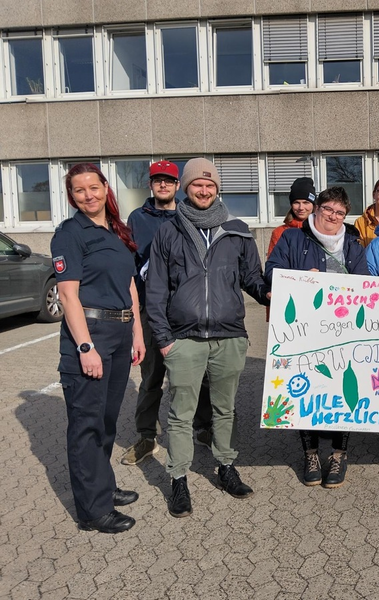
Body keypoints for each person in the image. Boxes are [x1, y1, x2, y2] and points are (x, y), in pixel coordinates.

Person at [147, 158, 269, 518]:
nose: (204, 190)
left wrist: (277, 293)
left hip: (229, 337)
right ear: (186, 188)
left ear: (218, 189)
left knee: (225, 408)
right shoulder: (169, 231)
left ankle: (226, 467)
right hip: (184, 339)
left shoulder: (238, 230)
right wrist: (166, 340)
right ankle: (178, 478)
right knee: (181, 414)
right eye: (197, 185)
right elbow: (154, 291)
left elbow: (253, 279)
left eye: (210, 185)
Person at [51, 163, 145, 534]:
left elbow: (131, 287)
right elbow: (68, 295)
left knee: (107, 419)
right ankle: (92, 510)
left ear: (106, 187)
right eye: (79, 190)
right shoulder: (70, 234)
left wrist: (137, 334)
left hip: (120, 333)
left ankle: (102, 486)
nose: (88, 195)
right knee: (87, 425)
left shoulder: (117, 231)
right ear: (71, 196)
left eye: (94, 187)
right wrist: (85, 346)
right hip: (91, 334)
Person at [265, 187, 369, 488]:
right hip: (304, 331)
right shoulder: (293, 238)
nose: (333, 217)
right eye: (328, 210)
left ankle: (339, 454)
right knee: (307, 390)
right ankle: (310, 452)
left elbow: (363, 283)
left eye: (339, 213)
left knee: (343, 388)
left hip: (343, 332)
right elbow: (270, 272)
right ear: (316, 209)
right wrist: (300, 277)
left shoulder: (351, 244)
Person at [121, 160, 213, 466]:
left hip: (188, 310)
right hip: (151, 309)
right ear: (151, 184)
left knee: (197, 375)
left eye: (169, 181)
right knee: (151, 377)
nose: (163, 185)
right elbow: (131, 268)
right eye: (158, 180)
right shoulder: (137, 218)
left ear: (178, 185)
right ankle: (147, 436)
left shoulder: (190, 215)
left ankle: (203, 428)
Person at [267, 177, 316, 256]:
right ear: (291, 205)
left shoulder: (321, 230)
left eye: (306, 202)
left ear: (313, 205)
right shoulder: (279, 232)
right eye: (296, 202)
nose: (301, 208)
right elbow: (273, 264)